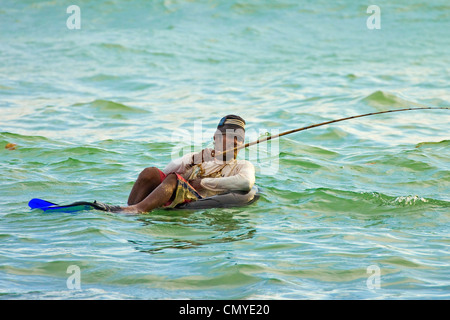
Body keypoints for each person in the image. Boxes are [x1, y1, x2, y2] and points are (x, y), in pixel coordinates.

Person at [120, 115, 255, 213]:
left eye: (239, 138)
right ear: (216, 138)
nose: (235, 142)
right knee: (150, 172)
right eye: (230, 136)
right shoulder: (198, 158)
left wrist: (203, 183)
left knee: (175, 179)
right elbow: (165, 172)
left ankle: (138, 209)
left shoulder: (243, 165)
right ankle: (128, 208)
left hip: (198, 203)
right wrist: (195, 160)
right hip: (177, 196)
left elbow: (246, 183)